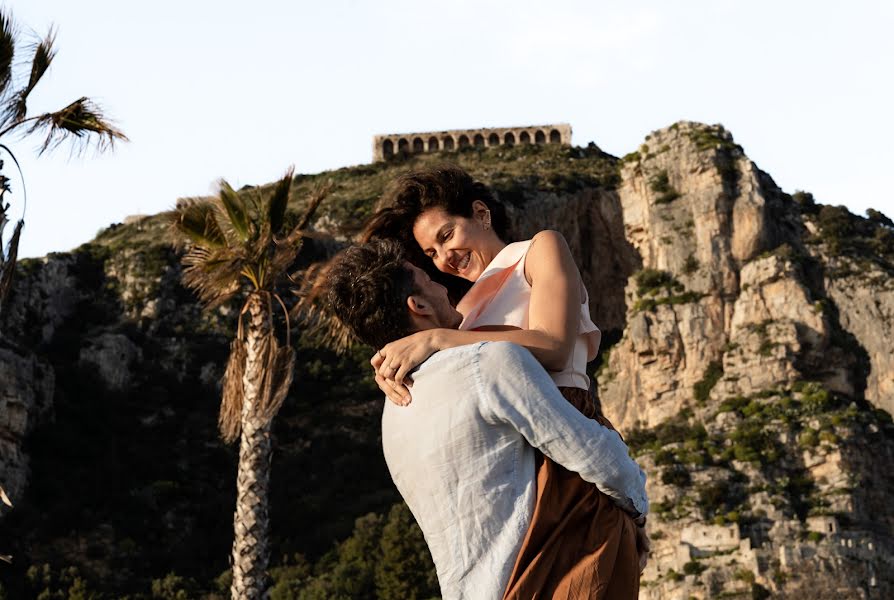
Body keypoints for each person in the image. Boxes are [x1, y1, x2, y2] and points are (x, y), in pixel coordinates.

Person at [362, 165, 643, 598]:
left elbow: (551, 344)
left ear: (481, 213)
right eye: (432, 254)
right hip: (520, 469)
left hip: (569, 428)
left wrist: (437, 338)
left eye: (446, 235)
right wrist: (391, 367)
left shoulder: (537, 251)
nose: (444, 257)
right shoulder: (461, 314)